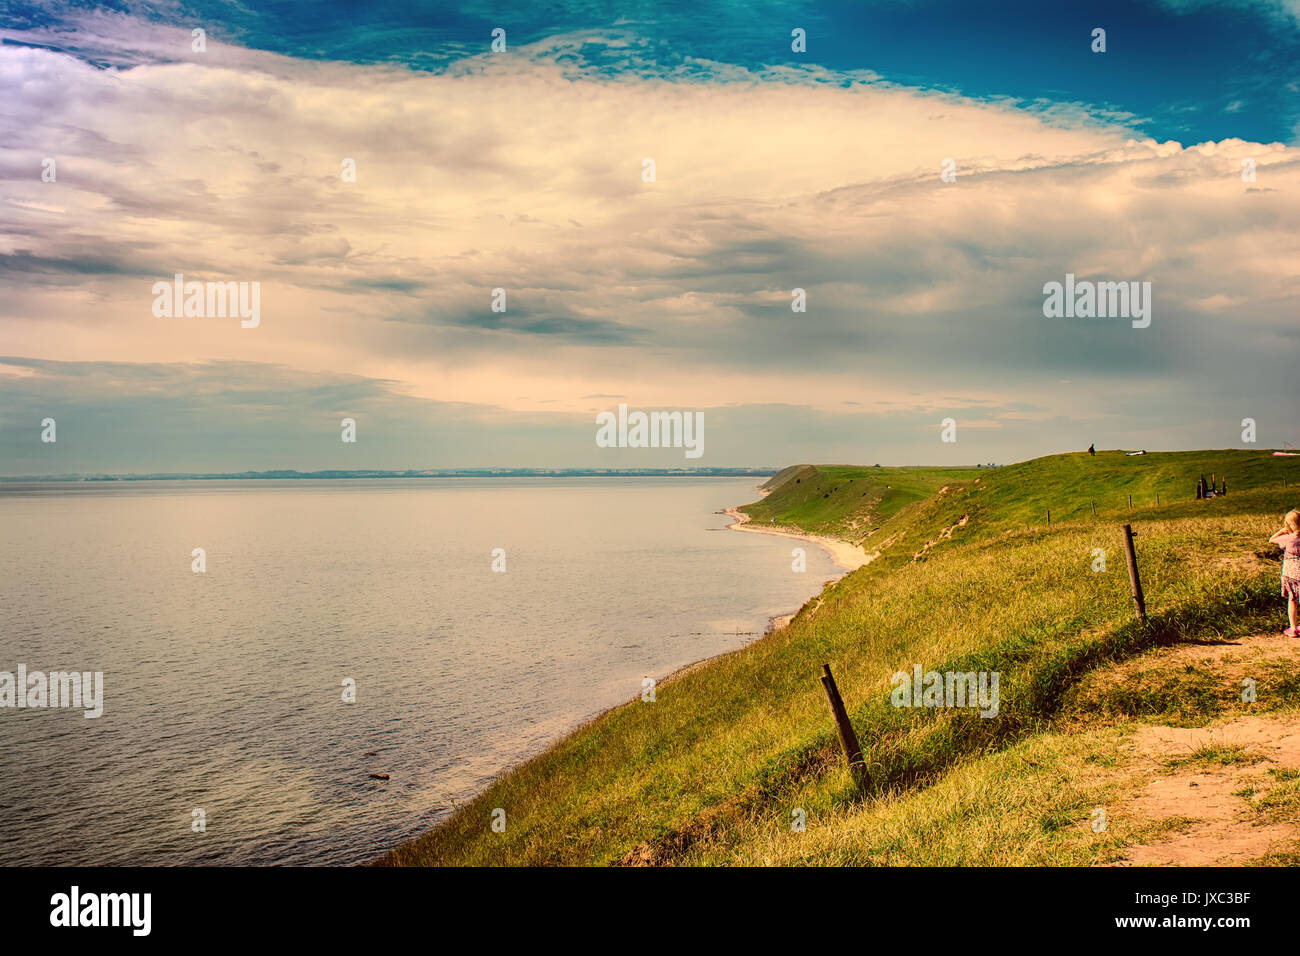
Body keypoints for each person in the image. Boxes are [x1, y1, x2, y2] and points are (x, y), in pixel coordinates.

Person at [1268, 510, 1300, 636]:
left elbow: (1272, 540)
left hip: (1290, 574)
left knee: (1292, 601)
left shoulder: (1288, 539)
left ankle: (1293, 628)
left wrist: (1282, 531)